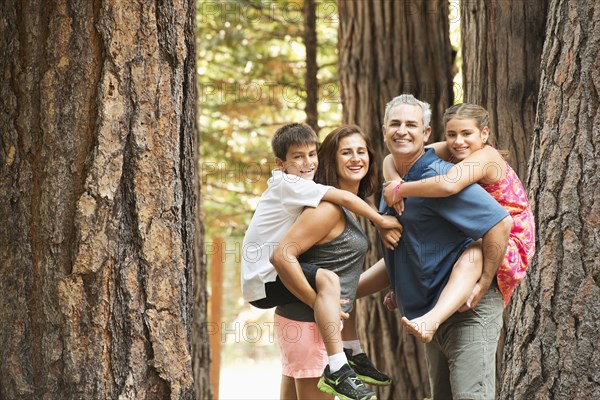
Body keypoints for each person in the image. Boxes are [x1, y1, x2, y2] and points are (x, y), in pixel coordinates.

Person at [241, 123, 397, 399]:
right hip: (304, 319)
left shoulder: (315, 195)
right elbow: (284, 256)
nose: (355, 158)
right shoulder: (317, 200)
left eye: (361, 151)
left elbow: (348, 284)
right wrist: (381, 221)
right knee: (329, 279)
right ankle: (340, 367)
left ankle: (351, 353)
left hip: (304, 319)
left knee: (333, 282)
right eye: (346, 152)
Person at [379, 94, 512, 399]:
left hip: (471, 304)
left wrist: (483, 281)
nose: (402, 130)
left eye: (411, 124)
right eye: (394, 124)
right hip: (434, 309)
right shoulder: (400, 177)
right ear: (383, 129)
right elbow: (415, 247)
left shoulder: (443, 174)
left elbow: (500, 223)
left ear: (425, 133)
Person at [380, 103, 535, 342]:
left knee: (473, 250)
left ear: (484, 134)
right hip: (476, 228)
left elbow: (449, 184)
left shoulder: (486, 156)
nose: (458, 141)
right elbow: (392, 157)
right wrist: (393, 181)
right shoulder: (451, 150)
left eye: (466, 134)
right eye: (452, 134)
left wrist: (401, 189)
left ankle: (432, 320)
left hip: (507, 238)